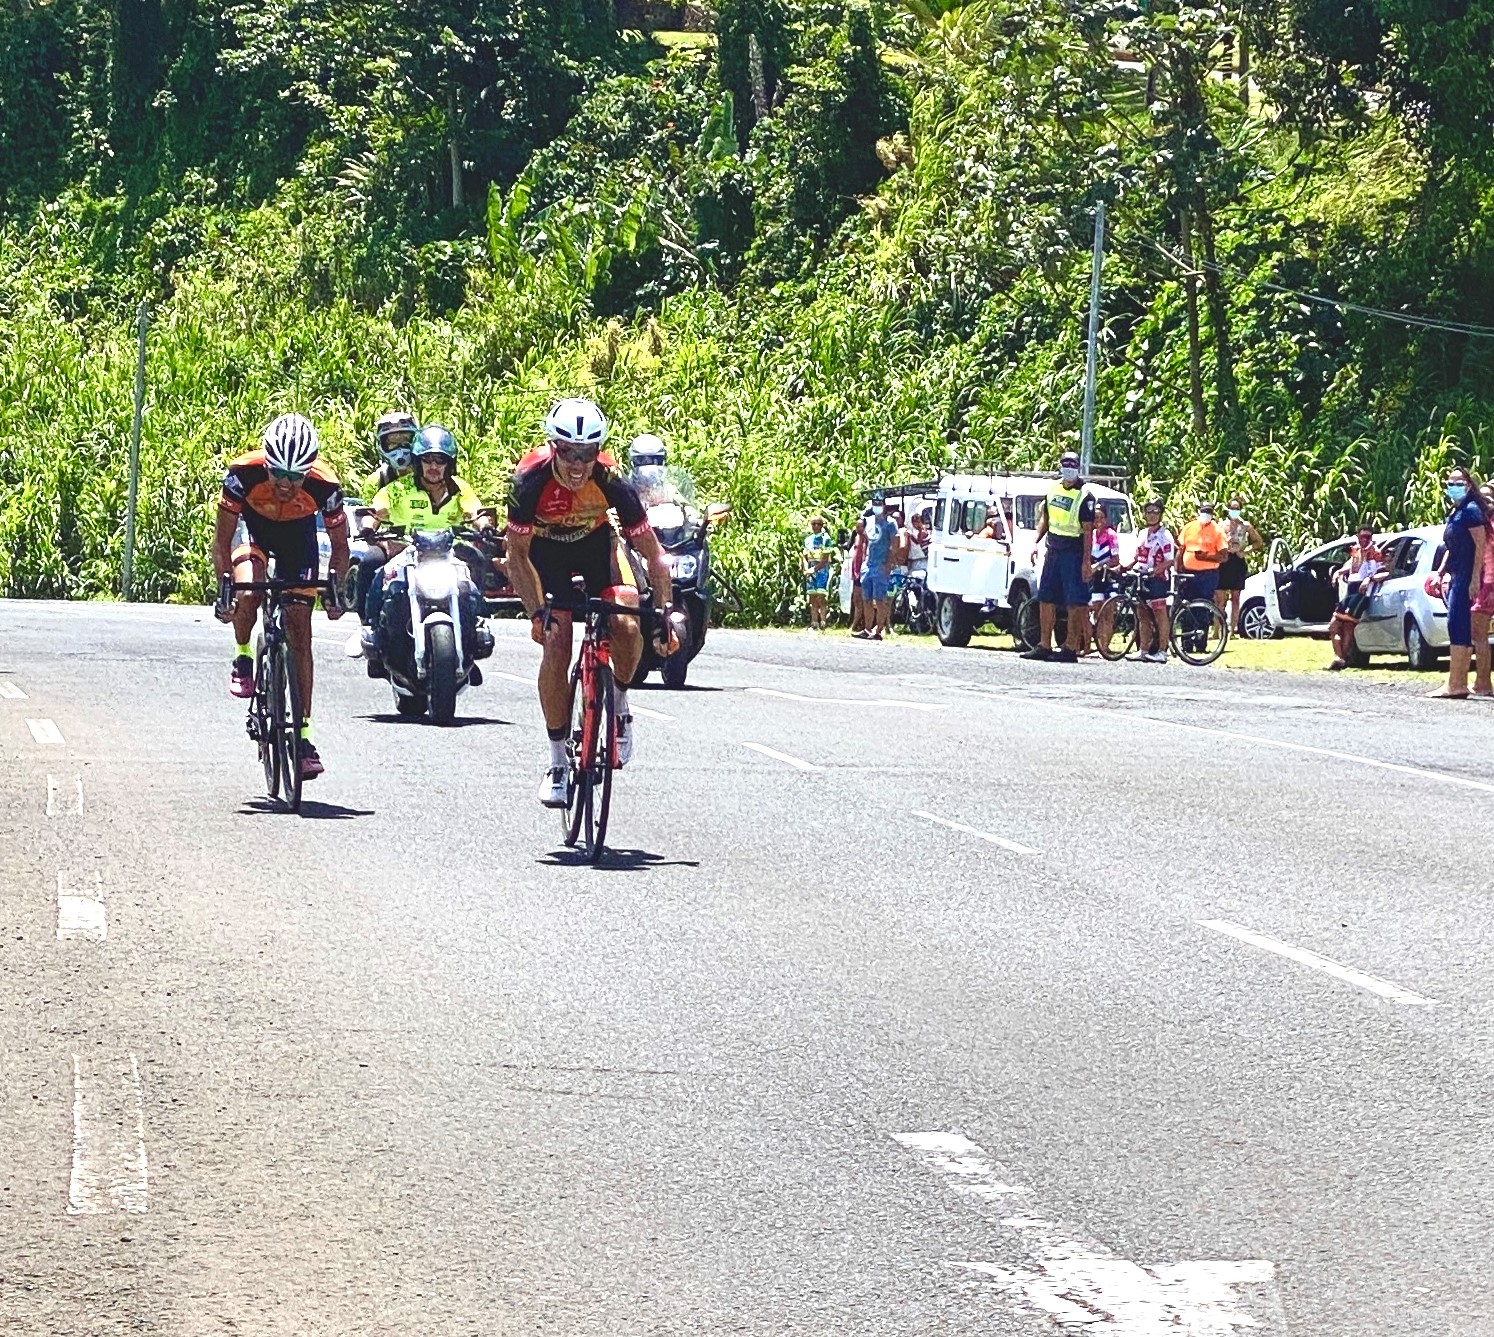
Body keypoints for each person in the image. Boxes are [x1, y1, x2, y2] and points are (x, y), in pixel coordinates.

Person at [506, 398, 675, 807]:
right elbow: (517, 557)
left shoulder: (611, 479)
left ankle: (619, 700)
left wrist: (665, 613)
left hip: (596, 546)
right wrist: (536, 612)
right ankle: (557, 763)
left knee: (628, 621)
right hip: (546, 554)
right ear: (554, 447)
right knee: (557, 641)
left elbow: (653, 554)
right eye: (568, 452)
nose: (578, 464)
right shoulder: (528, 481)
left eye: (587, 453)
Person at [212, 413, 348, 779]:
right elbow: (222, 540)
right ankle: (243, 654)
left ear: (309, 470)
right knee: (249, 588)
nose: (286, 484)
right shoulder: (242, 474)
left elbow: (340, 547)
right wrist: (226, 590)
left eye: (295, 476)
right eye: (278, 474)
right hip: (252, 530)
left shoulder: (325, 485)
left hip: (296, 539)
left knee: (300, 629)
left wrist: (336, 590)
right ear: (266, 463)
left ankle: (303, 738)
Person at [361, 425, 495, 681]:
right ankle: (372, 632)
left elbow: (474, 512)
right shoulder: (399, 489)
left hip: (448, 553)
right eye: (428, 460)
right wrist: (369, 527)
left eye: (440, 461)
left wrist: (484, 526)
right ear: (417, 462)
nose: (434, 467)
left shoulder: (460, 489)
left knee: (474, 572)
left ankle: (472, 635)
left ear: (449, 464)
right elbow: (374, 512)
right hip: (408, 551)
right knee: (379, 575)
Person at [351, 411, 419, 636]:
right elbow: (369, 518)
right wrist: (379, 538)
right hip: (390, 543)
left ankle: (474, 619)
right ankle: (366, 624)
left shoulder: (431, 471)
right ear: (382, 446)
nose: (400, 448)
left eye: (405, 440)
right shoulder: (376, 481)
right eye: (392, 442)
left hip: (430, 541)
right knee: (369, 562)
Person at [1023, 450, 1094, 663]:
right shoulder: (1053, 489)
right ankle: (1044, 644)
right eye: (1065, 464)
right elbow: (1045, 519)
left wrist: (1086, 561)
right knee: (1046, 598)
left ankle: (1070, 647)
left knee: (1074, 601)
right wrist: (1034, 542)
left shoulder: (1085, 495)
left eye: (1072, 465)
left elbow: (1088, 531)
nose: (1068, 468)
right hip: (1053, 549)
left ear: (1078, 468)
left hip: (1073, 551)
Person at [1429, 466, 1488, 700]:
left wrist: (1474, 578)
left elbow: (1480, 546)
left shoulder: (1471, 511)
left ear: (1469, 485)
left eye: (1459, 482)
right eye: (1450, 483)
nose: (1454, 487)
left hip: (1466, 576)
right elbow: (1451, 547)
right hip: (1456, 574)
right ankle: (1457, 681)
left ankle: (1456, 683)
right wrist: (1441, 571)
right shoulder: (1456, 512)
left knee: (1459, 625)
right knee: (1456, 625)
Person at [1325, 525, 1387, 671]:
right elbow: (1353, 566)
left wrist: (1369, 579)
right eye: (1362, 536)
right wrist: (1339, 572)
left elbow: (1384, 572)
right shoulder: (1355, 549)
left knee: (1347, 625)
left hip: (1362, 593)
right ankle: (1339, 657)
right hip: (1351, 589)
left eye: (1368, 537)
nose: (1365, 540)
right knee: (1334, 626)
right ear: (1357, 536)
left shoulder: (1375, 552)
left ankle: (1342, 658)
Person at [1175, 498, 1228, 653]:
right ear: (1198, 511)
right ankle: (1186, 645)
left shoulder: (1217, 531)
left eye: (1209, 512)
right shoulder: (1189, 527)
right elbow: (1180, 550)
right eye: (1204, 511)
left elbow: (1224, 556)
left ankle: (1200, 644)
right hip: (1188, 574)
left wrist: (1206, 557)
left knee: (1203, 609)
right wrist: (1177, 570)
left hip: (1207, 575)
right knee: (1186, 608)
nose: (1206, 514)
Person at [1128, 499, 1174, 663]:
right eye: (1149, 512)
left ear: (1160, 515)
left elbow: (1170, 560)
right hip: (1142, 578)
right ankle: (1143, 650)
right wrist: (1125, 567)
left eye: (1155, 512)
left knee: (1160, 614)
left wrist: (1154, 571)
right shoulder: (1142, 533)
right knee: (1142, 614)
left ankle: (1162, 651)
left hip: (1158, 579)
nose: (1152, 515)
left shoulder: (1165, 535)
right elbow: (1137, 556)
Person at [855, 493, 899, 641]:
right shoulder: (869, 521)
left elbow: (895, 544)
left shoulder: (890, 523)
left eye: (879, 503)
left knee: (880, 600)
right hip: (868, 565)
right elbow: (866, 541)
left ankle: (879, 631)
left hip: (881, 566)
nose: (877, 506)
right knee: (866, 599)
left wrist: (888, 564)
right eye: (875, 503)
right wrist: (864, 561)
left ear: (884, 505)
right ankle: (867, 629)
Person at [1217, 495, 1264, 632]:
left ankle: (1233, 629)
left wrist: (1246, 551)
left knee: (1236, 597)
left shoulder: (1245, 525)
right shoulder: (1221, 525)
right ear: (1228, 509)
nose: (1234, 511)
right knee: (1220, 598)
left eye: (1237, 508)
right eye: (1232, 508)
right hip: (1224, 561)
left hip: (1238, 561)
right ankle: (1217, 630)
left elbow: (1258, 542)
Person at [1087, 501, 1122, 655]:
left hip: (1108, 577)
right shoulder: (1091, 535)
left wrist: (1100, 565)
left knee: (1108, 613)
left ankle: (1105, 647)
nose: (1098, 521)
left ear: (1106, 519)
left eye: (1101, 517)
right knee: (1096, 612)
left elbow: (1115, 559)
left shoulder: (1111, 535)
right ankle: (1098, 644)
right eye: (1096, 518)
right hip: (1095, 579)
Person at [1475, 485, 1494, 697]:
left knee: (1479, 635)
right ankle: (1483, 681)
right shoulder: (1483, 523)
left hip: (1489, 584)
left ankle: (1483, 683)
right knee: (1479, 635)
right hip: (1485, 582)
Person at [802, 515, 832, 630]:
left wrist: (814, 570)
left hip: (822, 570)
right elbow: (804, 557)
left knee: (821, 596)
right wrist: (806, 570)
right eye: (813, 524)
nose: (816, 526)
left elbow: (825, 559)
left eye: (818, 524)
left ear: (822, 525)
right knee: (812, 597)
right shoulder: (808, 540)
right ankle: (814, 622)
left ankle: (823, 621)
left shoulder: (826, 539)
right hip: (810, 568)